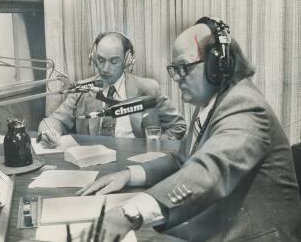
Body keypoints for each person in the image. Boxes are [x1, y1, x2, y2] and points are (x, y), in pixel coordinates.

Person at [77, 17, 301, 241]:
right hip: (218, 223)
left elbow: (207, 171)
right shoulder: (212, 102)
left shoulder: (245, 106)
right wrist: (128, 175)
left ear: (217, 66)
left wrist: (129, 214)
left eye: (183, 67)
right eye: (174, 69)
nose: (177, 78)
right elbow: (182, 160)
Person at [38, 32, 186, 148]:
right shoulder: (81, 89)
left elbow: (178, 126)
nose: (105, 69)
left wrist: (155, 145)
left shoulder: (149, 88)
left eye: (114, 62)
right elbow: (54, 120)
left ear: (127, 60)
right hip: (93, 164)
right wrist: (48, 132)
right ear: (94, 57)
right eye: (101, 60)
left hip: (133, 164)